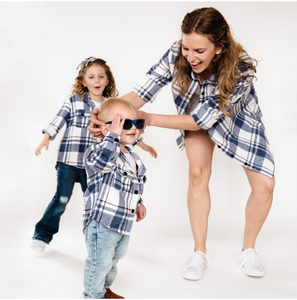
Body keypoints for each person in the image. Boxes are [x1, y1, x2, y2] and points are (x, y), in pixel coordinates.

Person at [88, 7, 275, 280]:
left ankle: (248, 250)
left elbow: (203, 119)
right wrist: (104, 113)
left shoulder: (240, 69)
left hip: (237, 119)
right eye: (187, 48)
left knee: (266, 186)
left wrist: (149, 119)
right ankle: (199, 252)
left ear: (219, 47)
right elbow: (142, 92)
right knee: (197, 172)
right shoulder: (179, 53)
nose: (190, 56)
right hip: (192, 115)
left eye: (199, 51)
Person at [31, 57, 154, 253]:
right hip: (69, 162)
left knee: (99, 203)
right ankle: (42, 235)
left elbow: (123, 129)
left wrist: (142, 143)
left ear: (107, 80)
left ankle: (97, 240)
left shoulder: (111, 106)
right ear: (83, 81)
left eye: (101, 77)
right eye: (91, 77)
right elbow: (58, 120)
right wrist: (46, 137)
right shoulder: (74, 102)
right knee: (61, 199)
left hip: (96, 167)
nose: (96, 81)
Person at [83, 98, 147, 299]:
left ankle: (104, 290)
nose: (133, 128)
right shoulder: (97, 152)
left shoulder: (133, 158)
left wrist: (139, 203)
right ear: (105, 130)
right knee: (99, 262)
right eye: (124, 123)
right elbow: (102, 163)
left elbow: (135, 184)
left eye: (137, 123)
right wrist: (112, 137)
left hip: (123, 224)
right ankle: (92, 295)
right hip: (101, 223)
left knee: (113, 261)